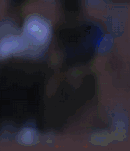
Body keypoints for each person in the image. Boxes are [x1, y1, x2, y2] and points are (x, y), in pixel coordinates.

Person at [0, 0, 53, 145]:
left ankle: (30, 124)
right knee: (6, 74)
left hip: (34, 72)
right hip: (8, 72)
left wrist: (17, 53)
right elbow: (0, 54)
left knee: (33, 74)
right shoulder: (3, 26)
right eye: (16, 7)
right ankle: (7, 124)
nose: (20, 10)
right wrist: (21, 54)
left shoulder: (38, 25)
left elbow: (40, 50)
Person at [43, 0, 110, 136]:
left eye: (73, 12)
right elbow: (53, 58)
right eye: (67, 12)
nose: (71, 16)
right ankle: (50, 123)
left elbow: (102, 58)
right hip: (65, 74)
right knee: (50, 78)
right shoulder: (59, 32)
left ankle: (101, 119)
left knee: (101, 74)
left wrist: (81, 71)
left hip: (89, 72)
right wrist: (63, 71)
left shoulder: (94, 30)